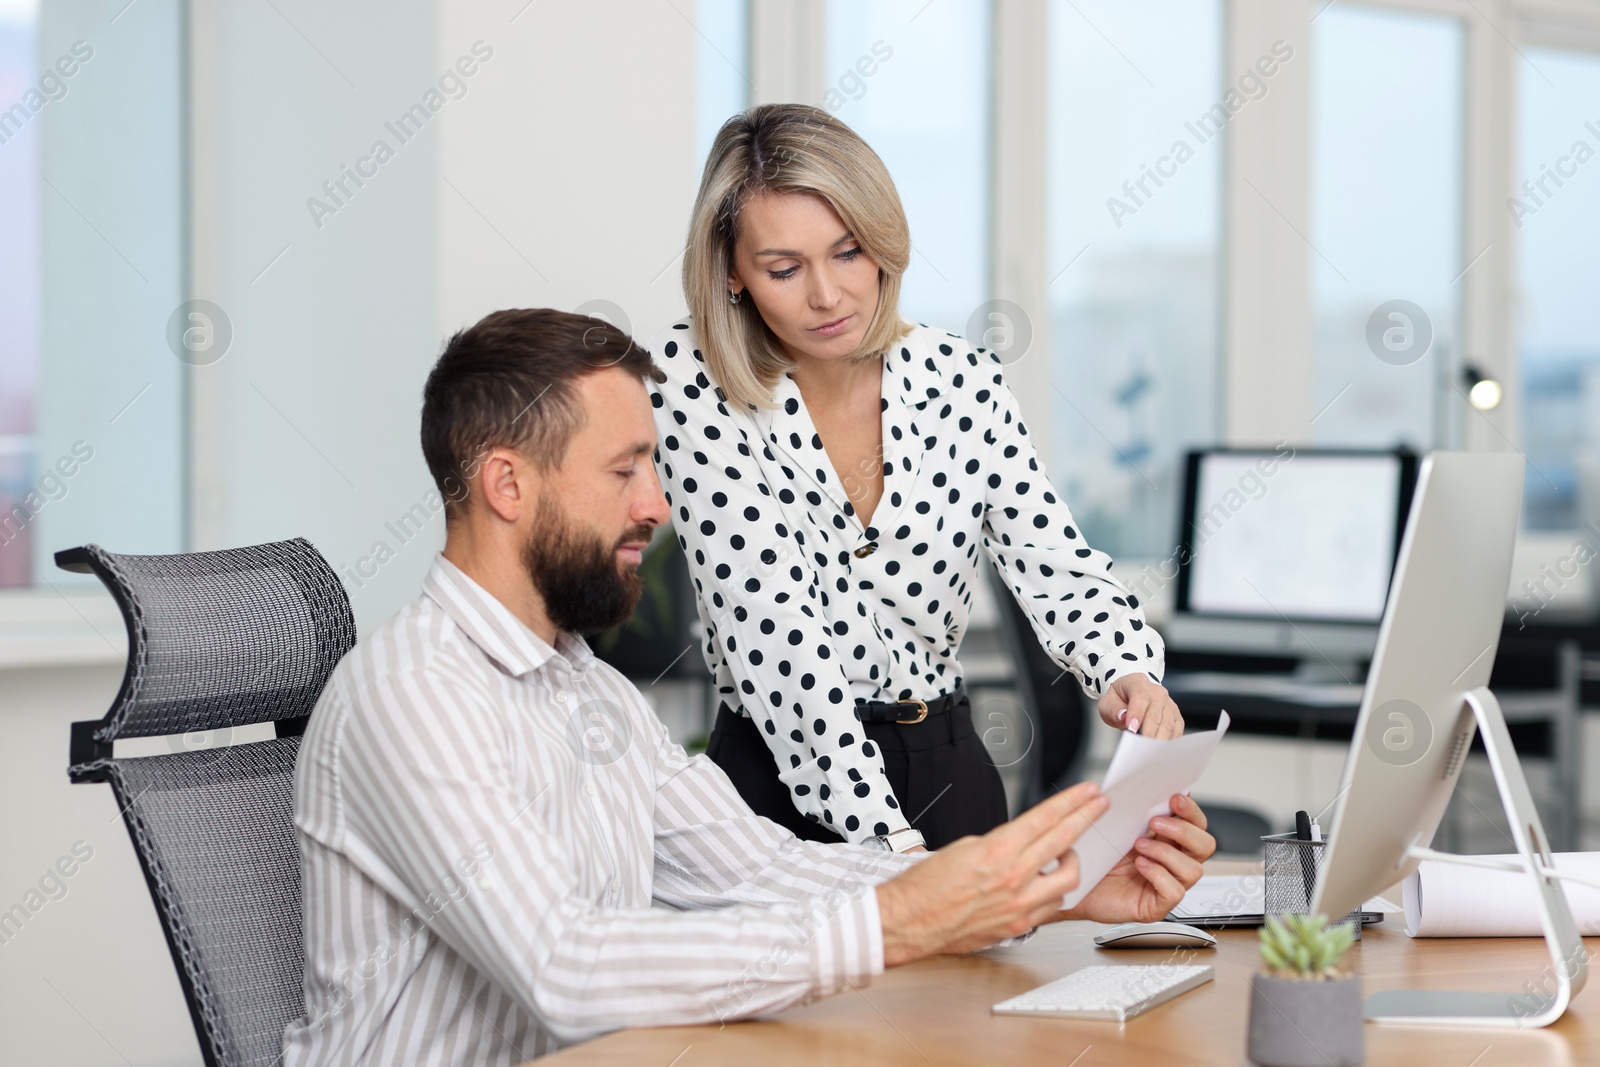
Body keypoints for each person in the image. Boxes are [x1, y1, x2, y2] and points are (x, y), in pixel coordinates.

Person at [281, 308, 1215, 1065]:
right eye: (624, 470)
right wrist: (896, 920)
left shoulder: (589, 694)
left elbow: (757, 870)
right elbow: (562, 964)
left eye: (654, 464)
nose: (657, 503)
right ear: (506, 485)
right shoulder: (415, 695)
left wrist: (1048, 884)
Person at [649, 103, 1183, 854]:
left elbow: (1055, 562)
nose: (828, 296)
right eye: (784, 269)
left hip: (947, 771)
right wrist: (896, 854)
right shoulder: (692, 383)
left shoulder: (959, 379)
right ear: (732, 271)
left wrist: (1124, 663)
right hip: (778, 788)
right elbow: (780, 648)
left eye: (848, 252)